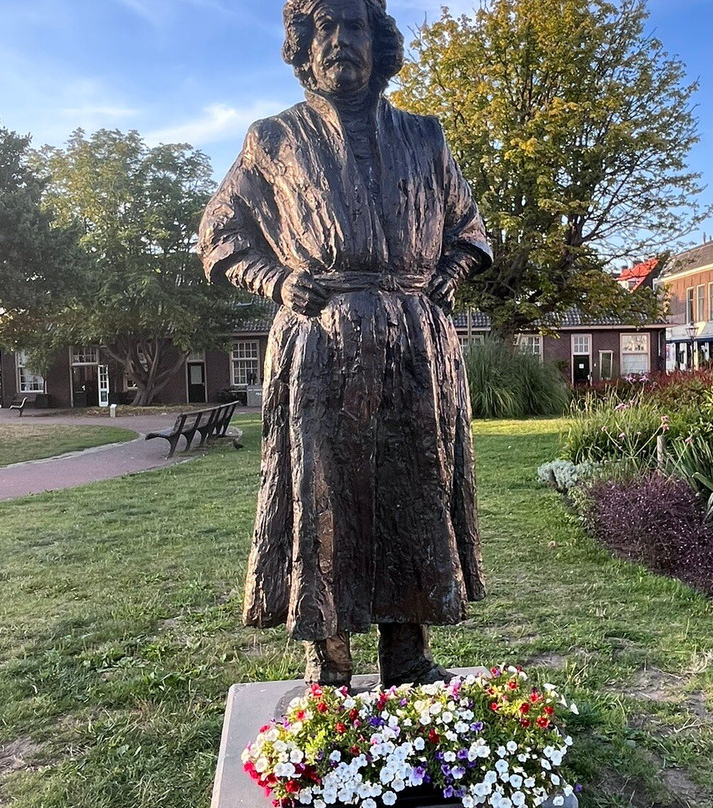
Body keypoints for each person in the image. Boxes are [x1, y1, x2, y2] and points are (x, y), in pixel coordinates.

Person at [199, 0, 491, 688]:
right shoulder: (271, 139)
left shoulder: (426, 136)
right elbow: (218, 234)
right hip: (320, 341)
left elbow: (471, 228)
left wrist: (449, 272)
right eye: (324, 28)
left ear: (377, 40)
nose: (339, 43)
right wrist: (273, 280)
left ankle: (409, 656)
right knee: (322, 493)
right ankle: (329, 661)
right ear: (302, 47)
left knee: (413, 489)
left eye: (353, 26)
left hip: (416, 343)